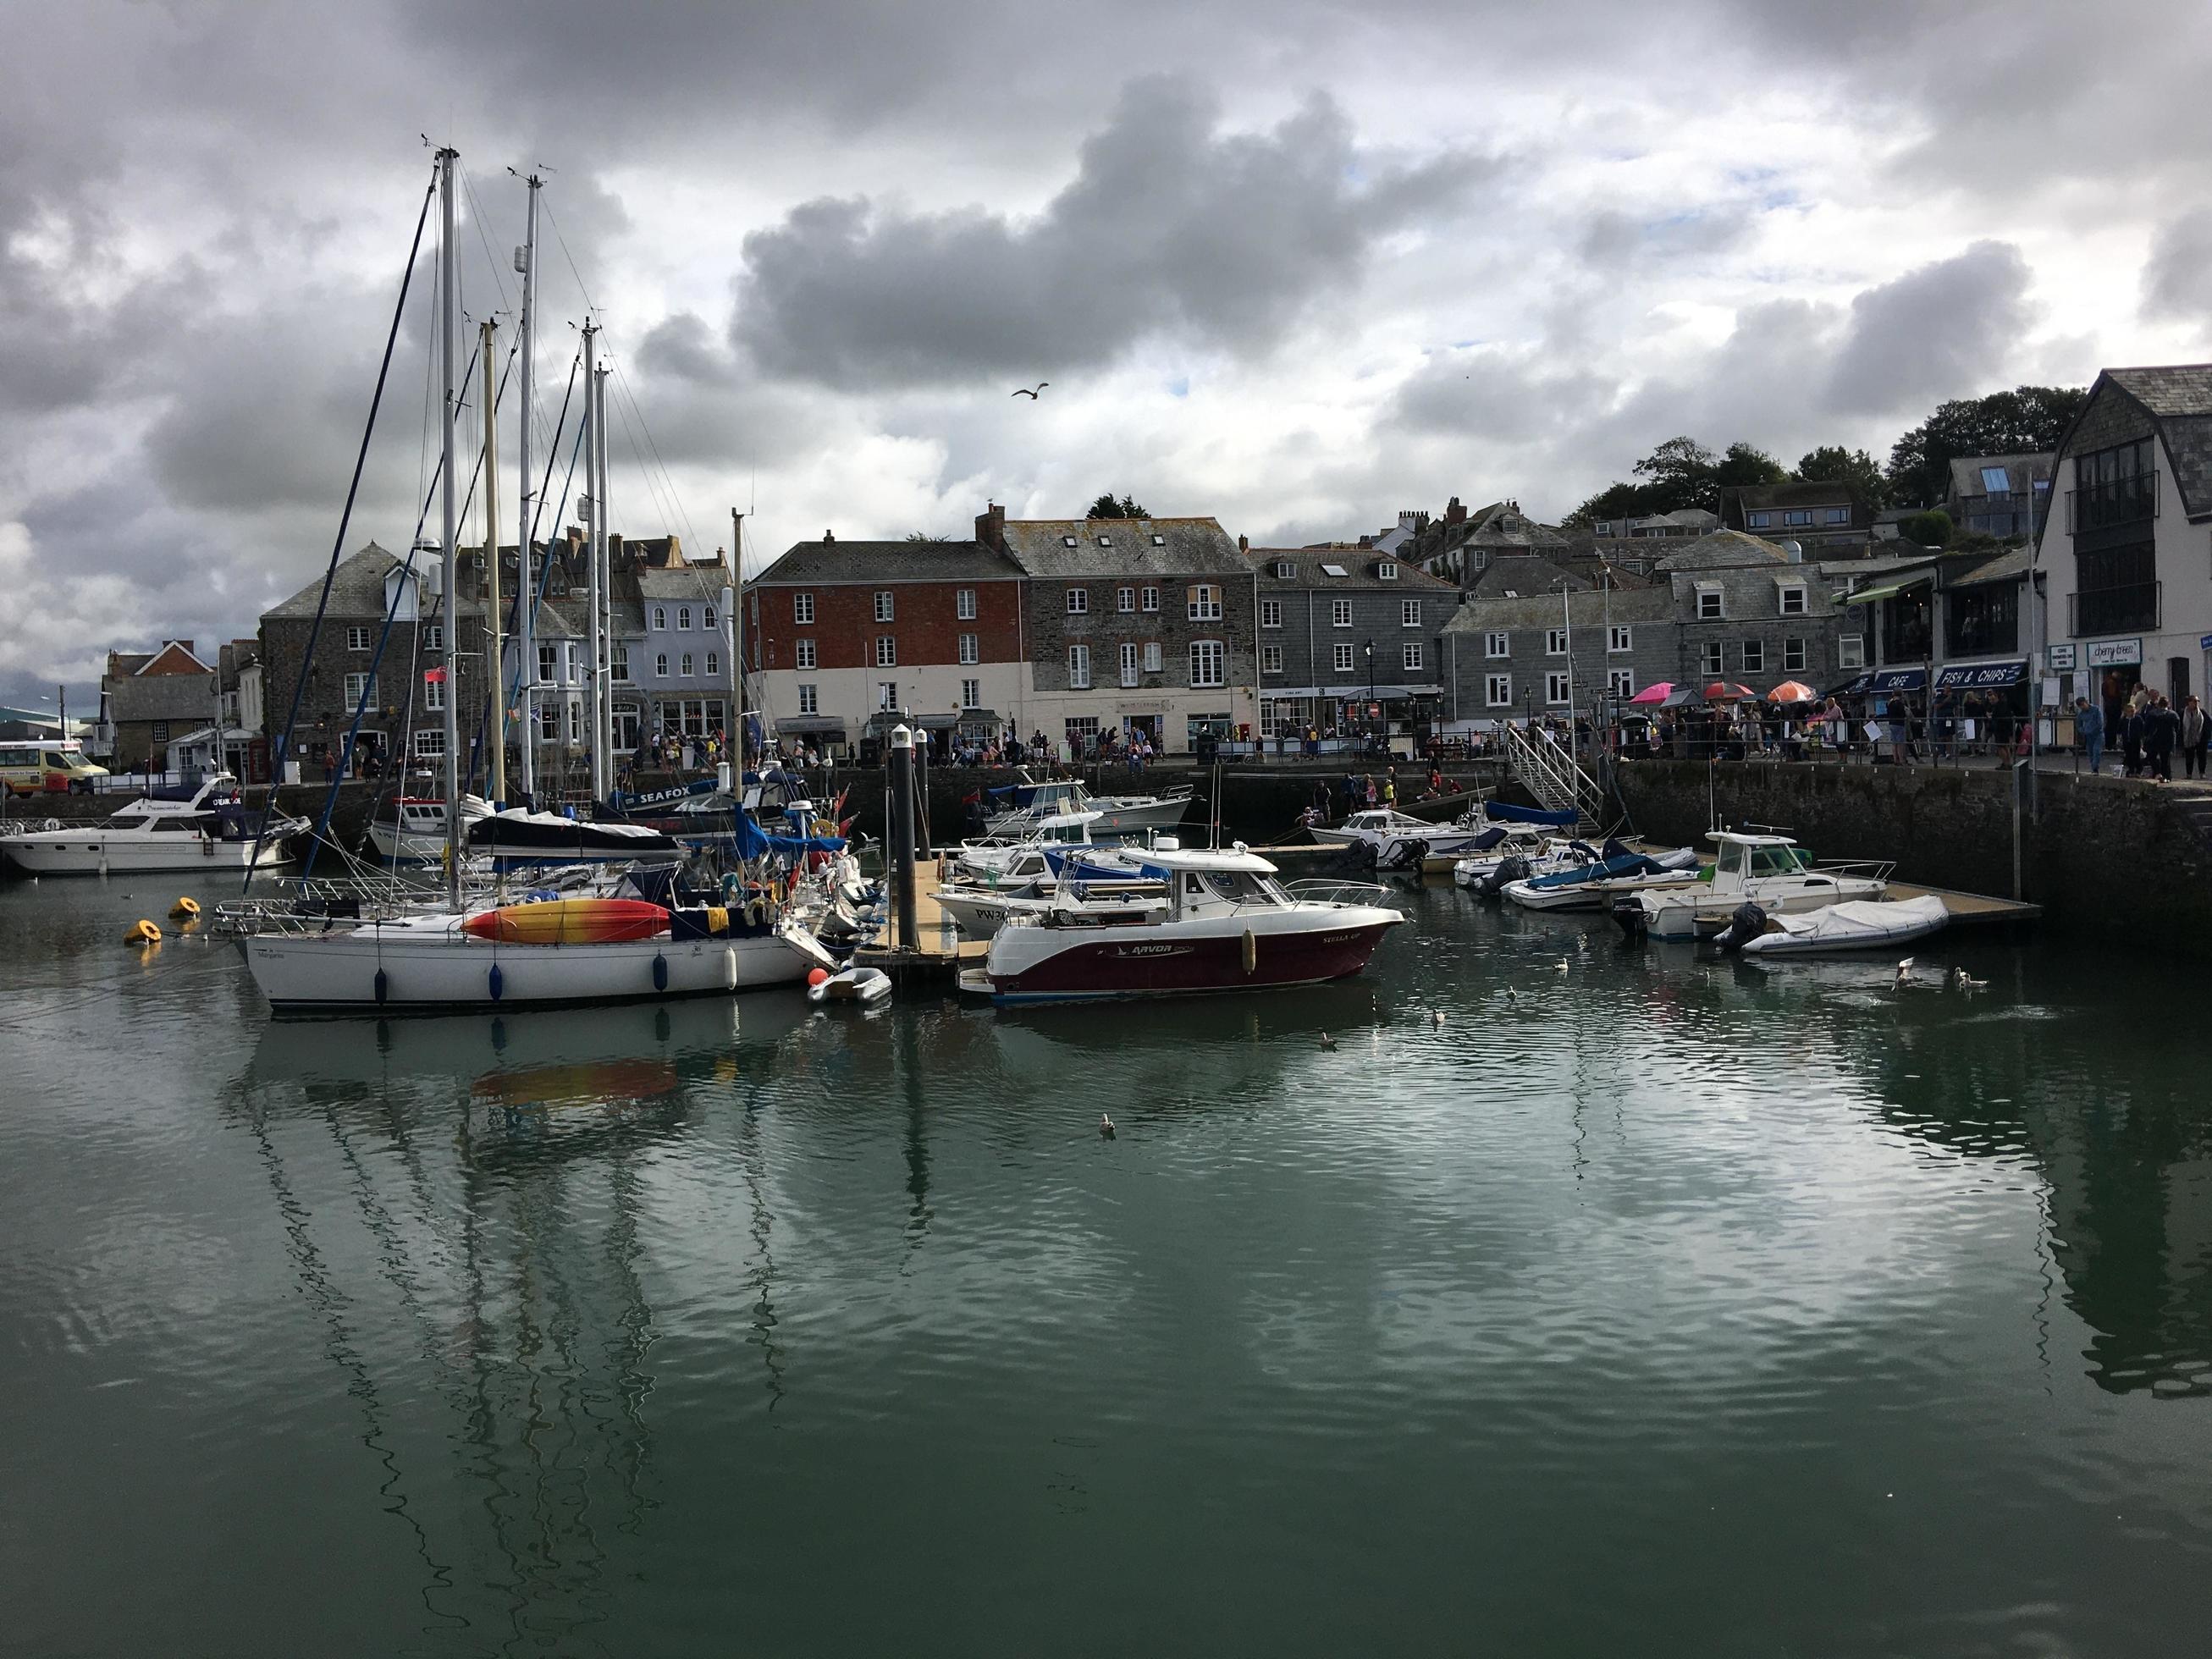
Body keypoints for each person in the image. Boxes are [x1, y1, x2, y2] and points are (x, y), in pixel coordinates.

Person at [2145, 692, 2180, 782]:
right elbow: (2177, 728)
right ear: (2168, 705)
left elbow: (2146, 728)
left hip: (2154, 739)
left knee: (2152, 757)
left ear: (2158, 704)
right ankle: (2167, 777)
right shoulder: (2173, 715)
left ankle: (2157, 773)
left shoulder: (2152, 714)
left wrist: (2146, 736)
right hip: (2168, 739)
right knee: (2166, 759)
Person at [2073, 697, 2104, 774]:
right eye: (2080, 706)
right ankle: (2094, 769)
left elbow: (2100, 723)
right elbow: (2078, 725)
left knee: (2096, 751)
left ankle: (2095, 768)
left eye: (2083, 705)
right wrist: (2083, 731)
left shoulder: (2096, 710)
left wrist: (2094, 729)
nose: (2083, 707)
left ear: (2086, 702)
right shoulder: (2081, 714)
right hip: (2088, 736)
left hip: (2098, 734)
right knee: (2090, 753)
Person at [2183, 695, 2209, 780]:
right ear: (2189, 703)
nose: (2196, 703)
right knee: (2189, 757)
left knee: (2202, 757)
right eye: (2194, 701)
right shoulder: (2183, 713)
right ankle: (2189, 774)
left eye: (2197, 701)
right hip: (2188, 739)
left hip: (2200, 738)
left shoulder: (2202, 713)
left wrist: (2206, 736)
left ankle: (2202, 773)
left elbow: (2208, 724)